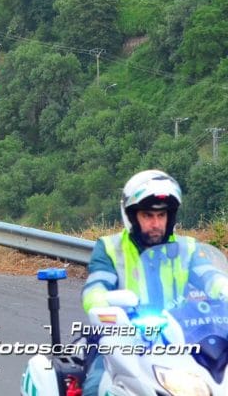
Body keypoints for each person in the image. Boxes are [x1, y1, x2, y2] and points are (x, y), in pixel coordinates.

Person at [80, 170, 228, 396]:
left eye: (162, 215)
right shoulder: (110, 248)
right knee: (95, 387)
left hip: (181, 338)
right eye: (148, 215)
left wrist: (223, 288)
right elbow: (95, 287)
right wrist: (103, 304)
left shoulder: (187, 248)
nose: (156, 223)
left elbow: (210, 276)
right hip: (123, 338)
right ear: (132, 216)